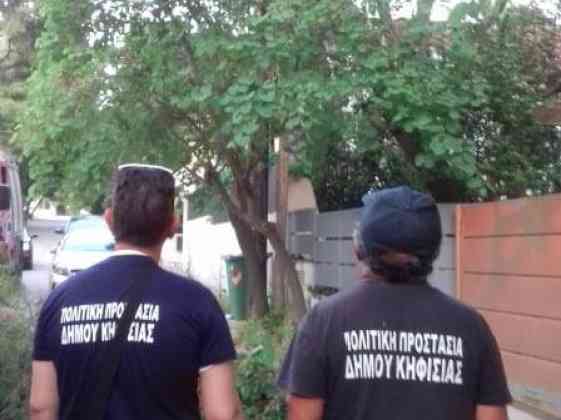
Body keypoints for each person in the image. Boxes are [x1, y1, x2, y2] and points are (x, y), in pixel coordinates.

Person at [30, 163, 244, 420]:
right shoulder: (197, 304)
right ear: (172, 225)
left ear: (109, 220)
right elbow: (223, 413)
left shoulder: (60, 301)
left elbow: (40, 408)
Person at [278, 186, 511, 420]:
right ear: (434, 253)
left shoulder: (322, 322)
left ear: (358, 249)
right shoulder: (471, 328)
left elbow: (302, 415)